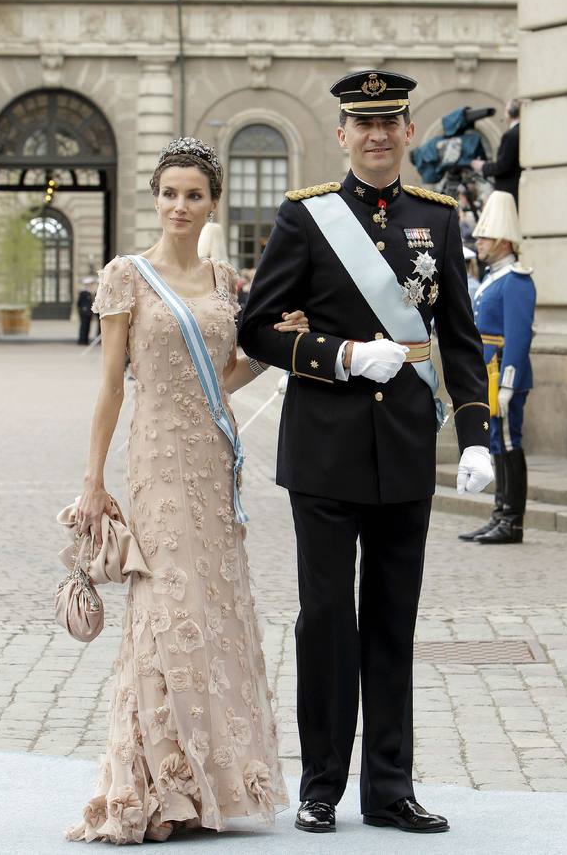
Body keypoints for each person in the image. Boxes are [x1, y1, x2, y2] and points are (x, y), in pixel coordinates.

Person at [239, 70, 494, 835]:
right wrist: (345, 356)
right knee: (326, 618)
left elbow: (459, 337)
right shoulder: (306, 218)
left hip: (406, 449)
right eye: (363, 124)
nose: (378, 136)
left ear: (409, 133)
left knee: (393, 620)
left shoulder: (438, 220)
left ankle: (389, 788)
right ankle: (321, 785)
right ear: (343, 135)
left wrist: (479, 437)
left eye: (391, 123)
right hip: (324, 448)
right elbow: (258, 328)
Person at [66, 137, 309, 844]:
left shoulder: (224, 280)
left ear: (212, 203)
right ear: (156, 197)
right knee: (164, 609)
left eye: (193, 195)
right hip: (158, 462)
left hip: (214, 462)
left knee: (214, 607)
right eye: (169, 193)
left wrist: (273, 353)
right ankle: (155, 783)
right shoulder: (126, 277)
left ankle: (209, 787)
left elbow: (224, 377)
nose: (180, 205)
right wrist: (93, 479)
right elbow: (113, 386)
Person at [458, 191, 535, 546]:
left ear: (503, 241)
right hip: (488, 372)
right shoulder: (495, 278)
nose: (479, 242)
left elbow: (518, 337)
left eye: (485, 237)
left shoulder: (516, 280)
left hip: (502, 373)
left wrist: (508, 384)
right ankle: (499, 514)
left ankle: (511, 520)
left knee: (508, 444)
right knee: (496, 444)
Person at [470, 99, 521, 206]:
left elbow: (502, 166)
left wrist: (482, 166)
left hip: (509, 193)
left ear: (509, 113)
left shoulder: (511, 135)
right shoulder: (523, 131)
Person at [76, 277, 95, 345]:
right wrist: (82, 309)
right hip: (84, 312)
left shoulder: (91, 292)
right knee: (83, 326)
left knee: (88, 327)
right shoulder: (83, 292)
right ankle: (81, 340)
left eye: (91, 284)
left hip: (89, 312)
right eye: (89, 284)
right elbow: (79, 303)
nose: (91, 286)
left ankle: (86, 340)